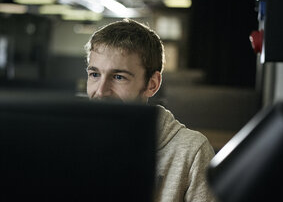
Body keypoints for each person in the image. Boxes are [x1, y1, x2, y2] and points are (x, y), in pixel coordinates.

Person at [84, 18, 216, 202]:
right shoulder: (70, 141)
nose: (100, 91)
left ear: (152, 85)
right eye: (95, 74)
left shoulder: (191, 151)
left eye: (119, 77)